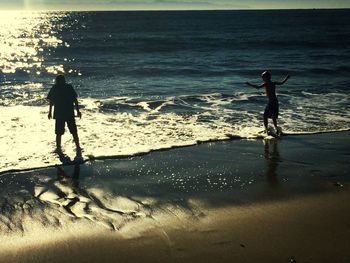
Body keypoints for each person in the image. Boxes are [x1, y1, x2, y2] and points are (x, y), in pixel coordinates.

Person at [47, 75, 82, 153]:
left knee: (59, 132)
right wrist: (78, 111)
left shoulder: (55, 88)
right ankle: (77, 147)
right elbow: (75, 100)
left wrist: (50, 112)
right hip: (68, 113)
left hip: (60, 113)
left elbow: (51, 101)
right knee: (72, 131)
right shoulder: (68, 87)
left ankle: (59, 148)